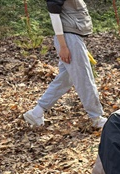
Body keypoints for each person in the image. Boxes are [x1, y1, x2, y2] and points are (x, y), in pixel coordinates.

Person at [23, 0, 106, 129]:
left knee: (65, 79)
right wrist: (63, 46)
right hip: (69, 39)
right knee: (84, 79)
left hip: (72, 38)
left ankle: (37, 112)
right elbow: (54, 16)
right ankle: (97, 118)